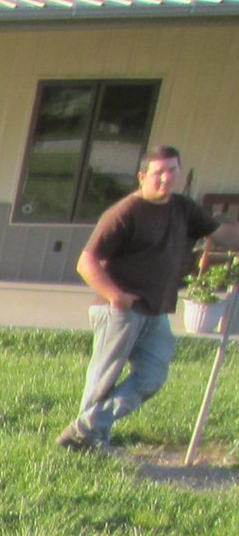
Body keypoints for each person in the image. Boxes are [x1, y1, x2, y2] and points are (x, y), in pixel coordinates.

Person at [58, 146, 239, 452]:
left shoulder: (183, 208)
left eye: (172, 171)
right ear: (142, 176)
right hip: (119, 310)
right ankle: (88, 440)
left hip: (156, 311)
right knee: (103, 379)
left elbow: (225, 235)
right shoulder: (125, 212)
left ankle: (85, 430)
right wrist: (116, 295)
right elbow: (85, 262)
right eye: (159, 173)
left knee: (152, 376)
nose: (166, 178)